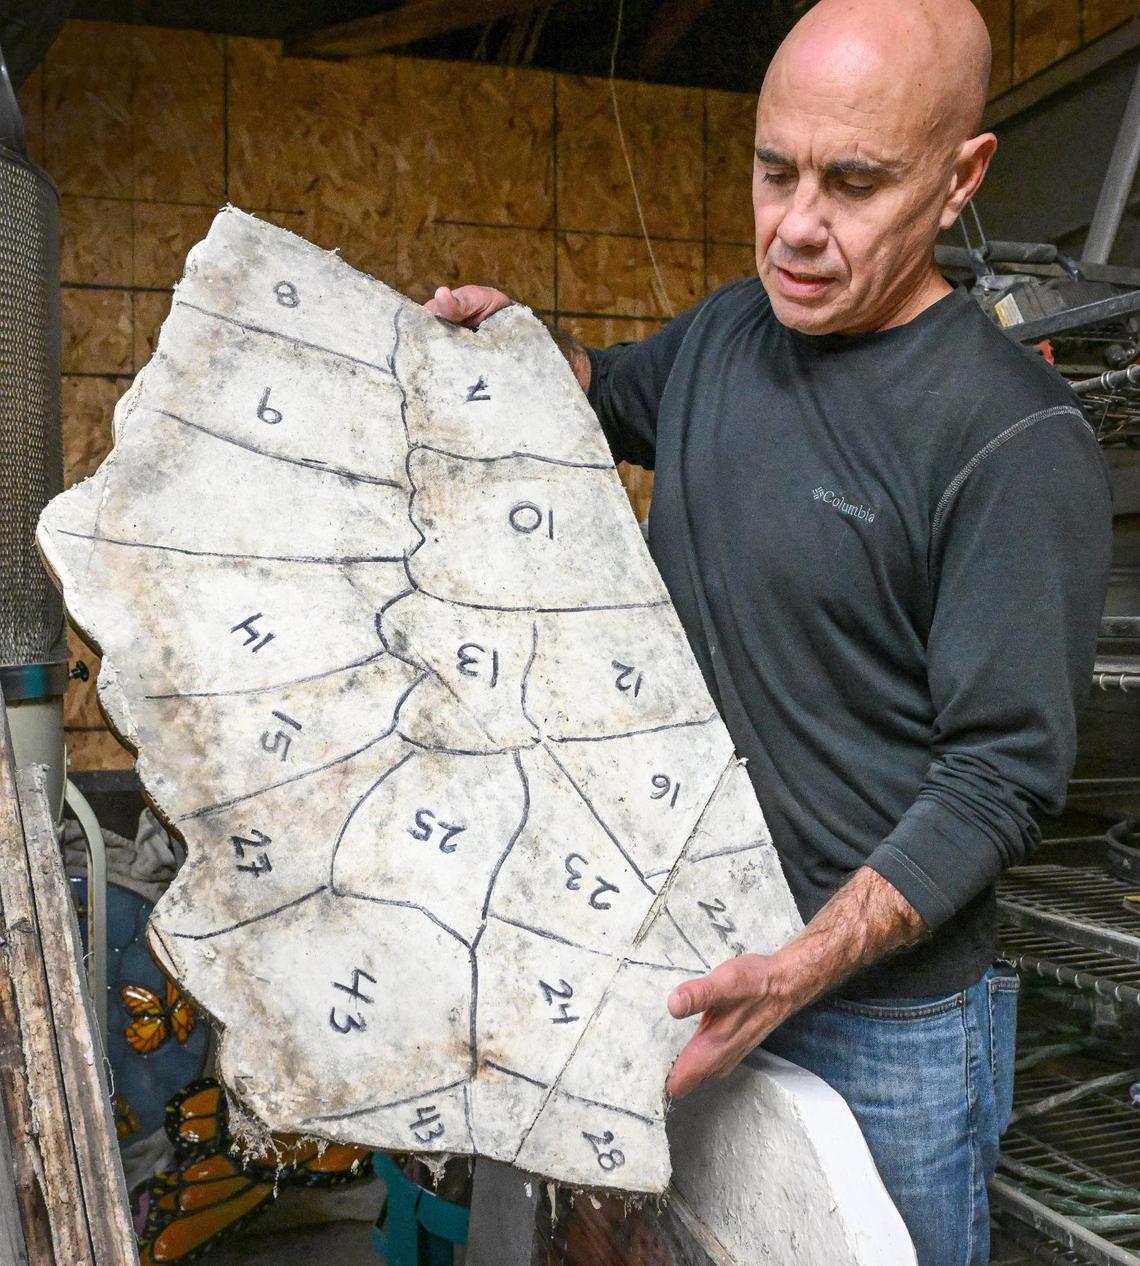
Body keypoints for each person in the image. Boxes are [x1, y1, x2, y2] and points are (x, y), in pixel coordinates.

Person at [426, 0, 1113, 1259]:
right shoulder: (729, 334)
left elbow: (1000, 780)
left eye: (853, 184)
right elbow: (607, 394)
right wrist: (516, 346)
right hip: (678, 961)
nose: (796, 227)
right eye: (773, 170)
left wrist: (798, 966)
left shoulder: (1011, 442)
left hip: (881, 1025)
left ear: (961, 178)